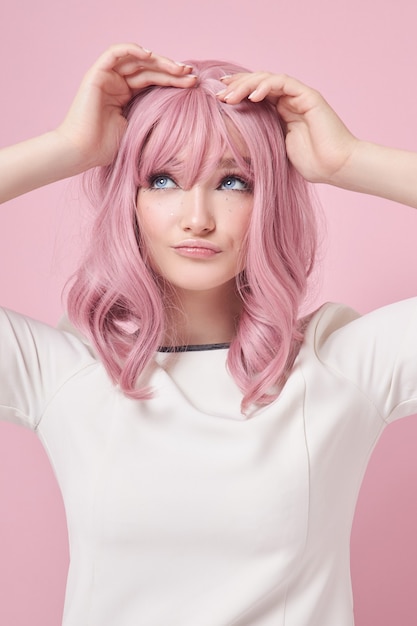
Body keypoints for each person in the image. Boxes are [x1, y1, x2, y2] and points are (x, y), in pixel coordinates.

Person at [0, 43, 416, 626]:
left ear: (269, 200)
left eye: (234, 182)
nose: (197, 216)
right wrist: (67, 149)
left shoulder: (338, 369)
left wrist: (350, 161)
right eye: (165, 179)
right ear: (132, 201)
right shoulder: (66, 373)